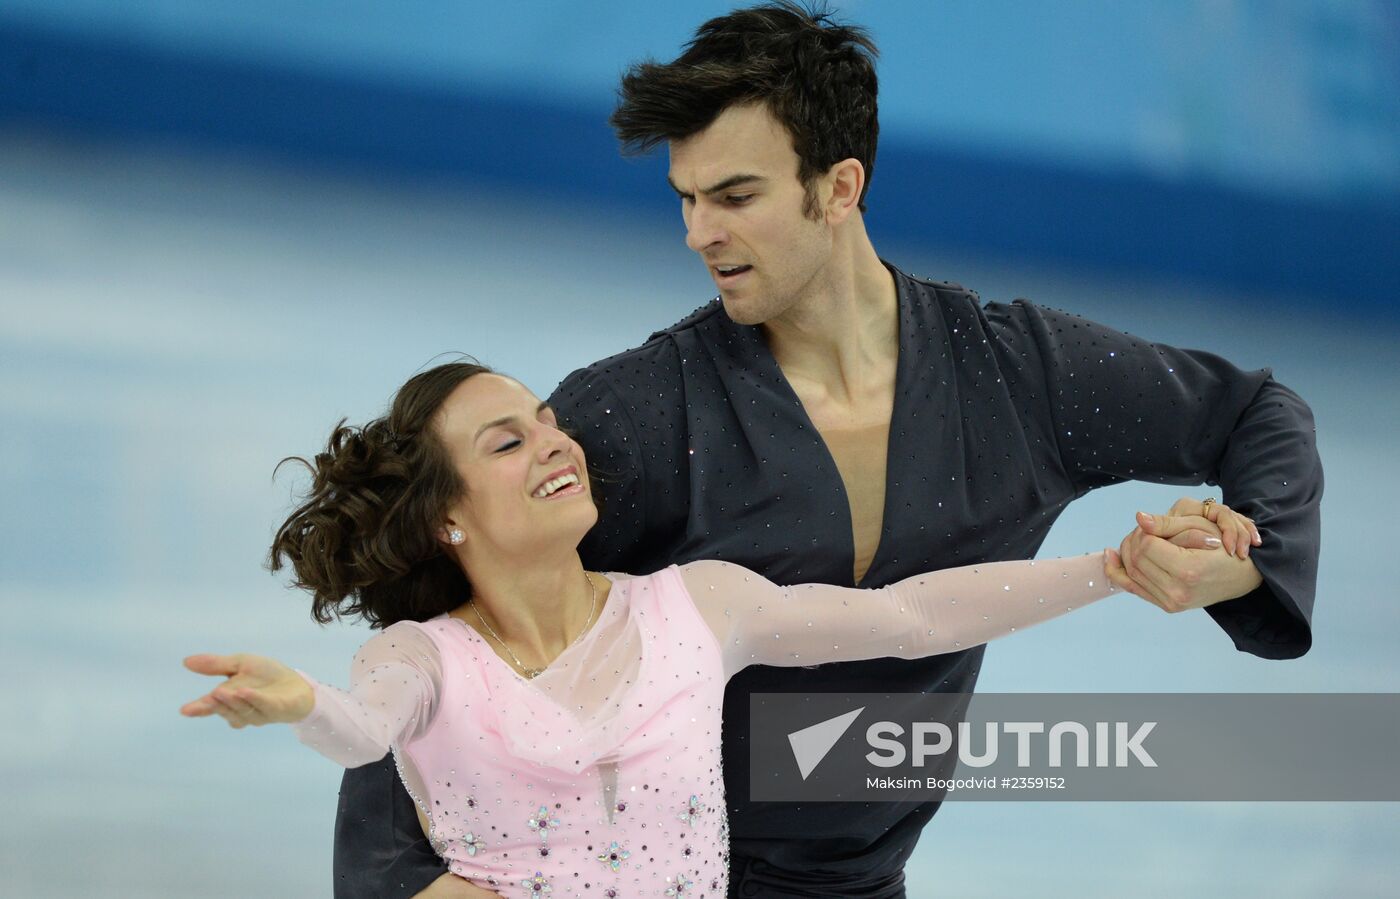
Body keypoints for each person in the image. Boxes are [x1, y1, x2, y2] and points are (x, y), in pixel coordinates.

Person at [333, 4, 1322, 897]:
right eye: (684, 197)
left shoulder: (1017, 376)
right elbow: (453, 619)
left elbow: (1253, 412)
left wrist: (1233, 572)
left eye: (733, 195)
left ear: (838, 186)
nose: (696, 232)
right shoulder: (631, 416)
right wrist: (397, 877)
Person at [182, 363, 1257, 898]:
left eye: (547, 423)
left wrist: (1107, 568)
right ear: (448, 514)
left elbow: (907, 614)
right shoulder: (424, 658)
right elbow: (367, 730)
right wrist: (296, 703)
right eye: (507, 442)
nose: (554, 445)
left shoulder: (692, 604)